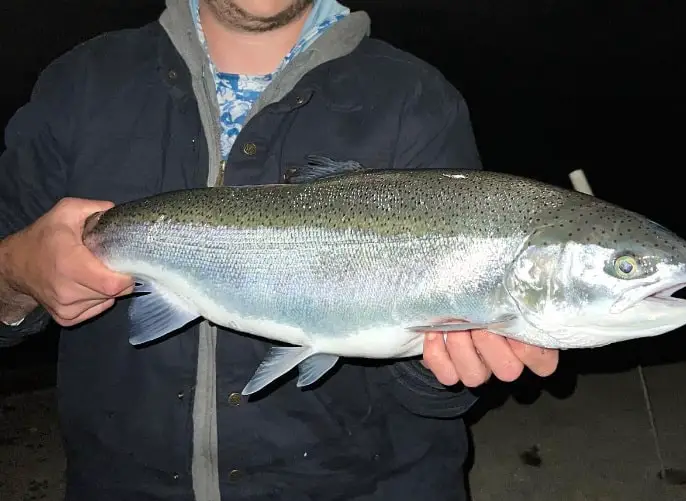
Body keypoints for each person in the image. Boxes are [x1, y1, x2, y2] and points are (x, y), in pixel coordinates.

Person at [0, 1, 559, 499]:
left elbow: (434, 398)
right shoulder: (81, 83)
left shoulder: (416, 99)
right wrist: (17, 272)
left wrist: (445, 366)